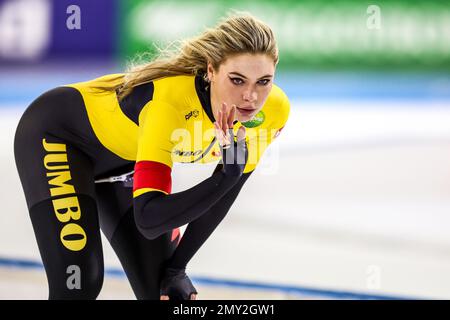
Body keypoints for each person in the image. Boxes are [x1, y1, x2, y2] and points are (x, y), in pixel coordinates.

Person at [13, 12, 290, 300]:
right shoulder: (168, 107)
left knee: (170, 296)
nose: (251, 97)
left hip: (123, 163)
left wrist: (176, 270)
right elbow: (148, 218)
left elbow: (221, 200)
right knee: (79, 282)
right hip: (60, 137)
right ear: (211, 71)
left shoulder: (272, 112)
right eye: (237, 80)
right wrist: (224, 176)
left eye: (263, 81)